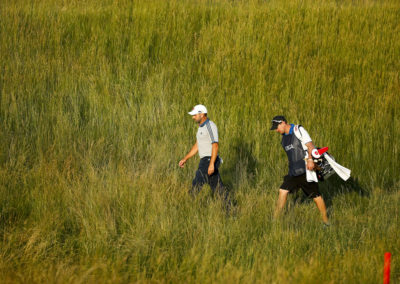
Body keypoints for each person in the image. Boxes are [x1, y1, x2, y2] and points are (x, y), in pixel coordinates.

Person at [270, 115, 329, 225]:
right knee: (282, 191)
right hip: (293, 172)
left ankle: (326, 222)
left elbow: (310, 145)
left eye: (277, 127)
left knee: (316, 196)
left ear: (283, 122)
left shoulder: (298, 130)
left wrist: (310, 160)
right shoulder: (284, 139)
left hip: (305, 171)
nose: (276, 130)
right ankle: (275, 221)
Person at [179, 105, 228, 203]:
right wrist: (185, 158)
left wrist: (211, 164)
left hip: (208, 160)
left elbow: (215, 145)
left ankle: (187, 205)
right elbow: (197, 145)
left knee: (197, 182)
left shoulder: (210, 126)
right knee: (219, 189)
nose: (193, 117)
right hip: (205, 160)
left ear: (202, 114)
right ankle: (231, 211)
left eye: (195, 115)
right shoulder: (201, 128)